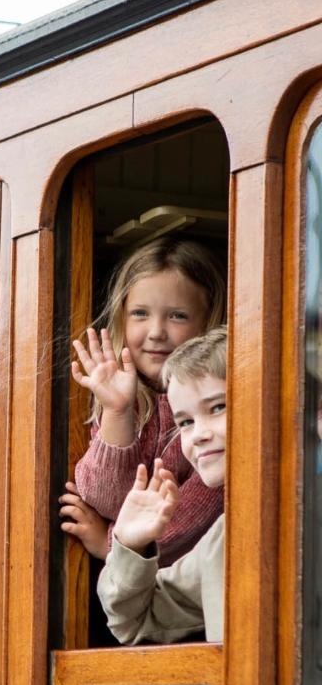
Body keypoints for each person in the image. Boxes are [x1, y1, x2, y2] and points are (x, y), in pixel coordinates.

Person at [61, 237, 226, 566]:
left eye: (177, 316)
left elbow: (192, 517)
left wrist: (111, 544)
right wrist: (117, 411)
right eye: (140, 314)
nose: (156, 332)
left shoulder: (214, 409)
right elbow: (107, 499)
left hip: (186, 585)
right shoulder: (123, 397)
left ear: (209, 320)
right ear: (121, 318)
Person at [100, 329, 228, 648]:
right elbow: (135, 620)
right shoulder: (222, 542)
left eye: (217, 407)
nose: (198, 434)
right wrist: (131, 545)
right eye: (185, 422)